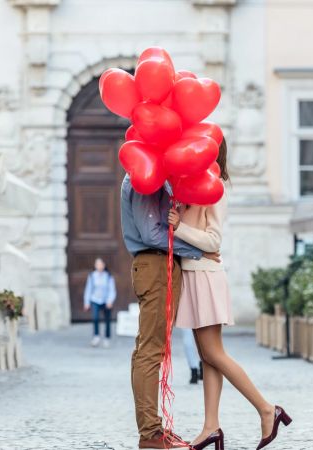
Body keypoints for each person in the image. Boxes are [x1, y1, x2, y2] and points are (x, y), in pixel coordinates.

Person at [168, 139, 291, 450]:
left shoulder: (215, 187)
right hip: (195, 275)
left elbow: (213, 241)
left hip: (206, 277)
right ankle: (211, 426)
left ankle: (267, 409)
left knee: (214, 354)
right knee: (208, 357)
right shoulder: (191, 185)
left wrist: (179, 227)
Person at [120, 174, 220, 450]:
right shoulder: (143, 178)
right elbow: (151, 233)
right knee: (150, 350)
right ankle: (151, 434)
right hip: (155, 266)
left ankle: (153, 430)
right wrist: (199, 252)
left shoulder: (156, 178)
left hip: (161, 267)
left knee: (150, 349)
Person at [83, 257, 116, 348]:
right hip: (95, 300)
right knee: (95, 318)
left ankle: (107, 338)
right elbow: (88, 290)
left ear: (104, 265)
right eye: (97, 264)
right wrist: (87, 302)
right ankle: (96, 336)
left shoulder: (108, 276)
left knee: (107, 320)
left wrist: (110, 301)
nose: (99, 266)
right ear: (95, 266)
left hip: (106, 300)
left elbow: (112, 290)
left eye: (101, 264)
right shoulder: (92, 276)